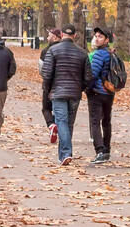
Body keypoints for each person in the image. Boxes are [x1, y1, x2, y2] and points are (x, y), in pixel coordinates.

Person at [40, 24, 92, 165]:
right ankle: (63, 154)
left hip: (58, 92)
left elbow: (46, 74)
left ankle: (65, 153)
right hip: (74, 93)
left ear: (62, 35)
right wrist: (80, 88)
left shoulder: (53, 50)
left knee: (61, 121)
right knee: (68, 123)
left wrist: (48, 89)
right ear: (75, 36)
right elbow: (88, 77)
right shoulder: (82, 53)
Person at [86, 26, 116, 164]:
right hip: (109, 92)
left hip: (97, 92)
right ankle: (107, 150)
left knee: (95, 121)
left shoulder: (99, 54)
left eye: (100, 36)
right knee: (106, 121)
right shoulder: (111, 53)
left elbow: (93, 74)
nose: (97, 38)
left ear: (107, 40)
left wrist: (87, 88)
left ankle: (99, 151)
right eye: (96, 36)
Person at [39, 27, 63, 142]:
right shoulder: (64, 49)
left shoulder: (45, 51)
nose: (47, 37)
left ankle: (51, 124)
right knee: (61, 109)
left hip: (49, 84)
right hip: (63, 84)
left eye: (49, 35)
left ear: (54, 37)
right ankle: (59, 128)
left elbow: (41, 69)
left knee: (46, 108)